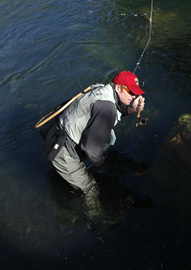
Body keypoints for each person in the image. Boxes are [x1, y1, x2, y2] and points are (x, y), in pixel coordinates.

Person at [45, 71, 145, 219]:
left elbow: (113, 108)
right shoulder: (107, 108)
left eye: (135, 94)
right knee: (90, 188)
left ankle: (66, 174)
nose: (133, 97)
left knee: (106, 138)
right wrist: (99, 161)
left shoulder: (100, 88)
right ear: (117, 88)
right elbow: (91, 148)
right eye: (130, 92)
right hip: (61, 151)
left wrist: (131, 108)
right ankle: (96, 221)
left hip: (55, 135)